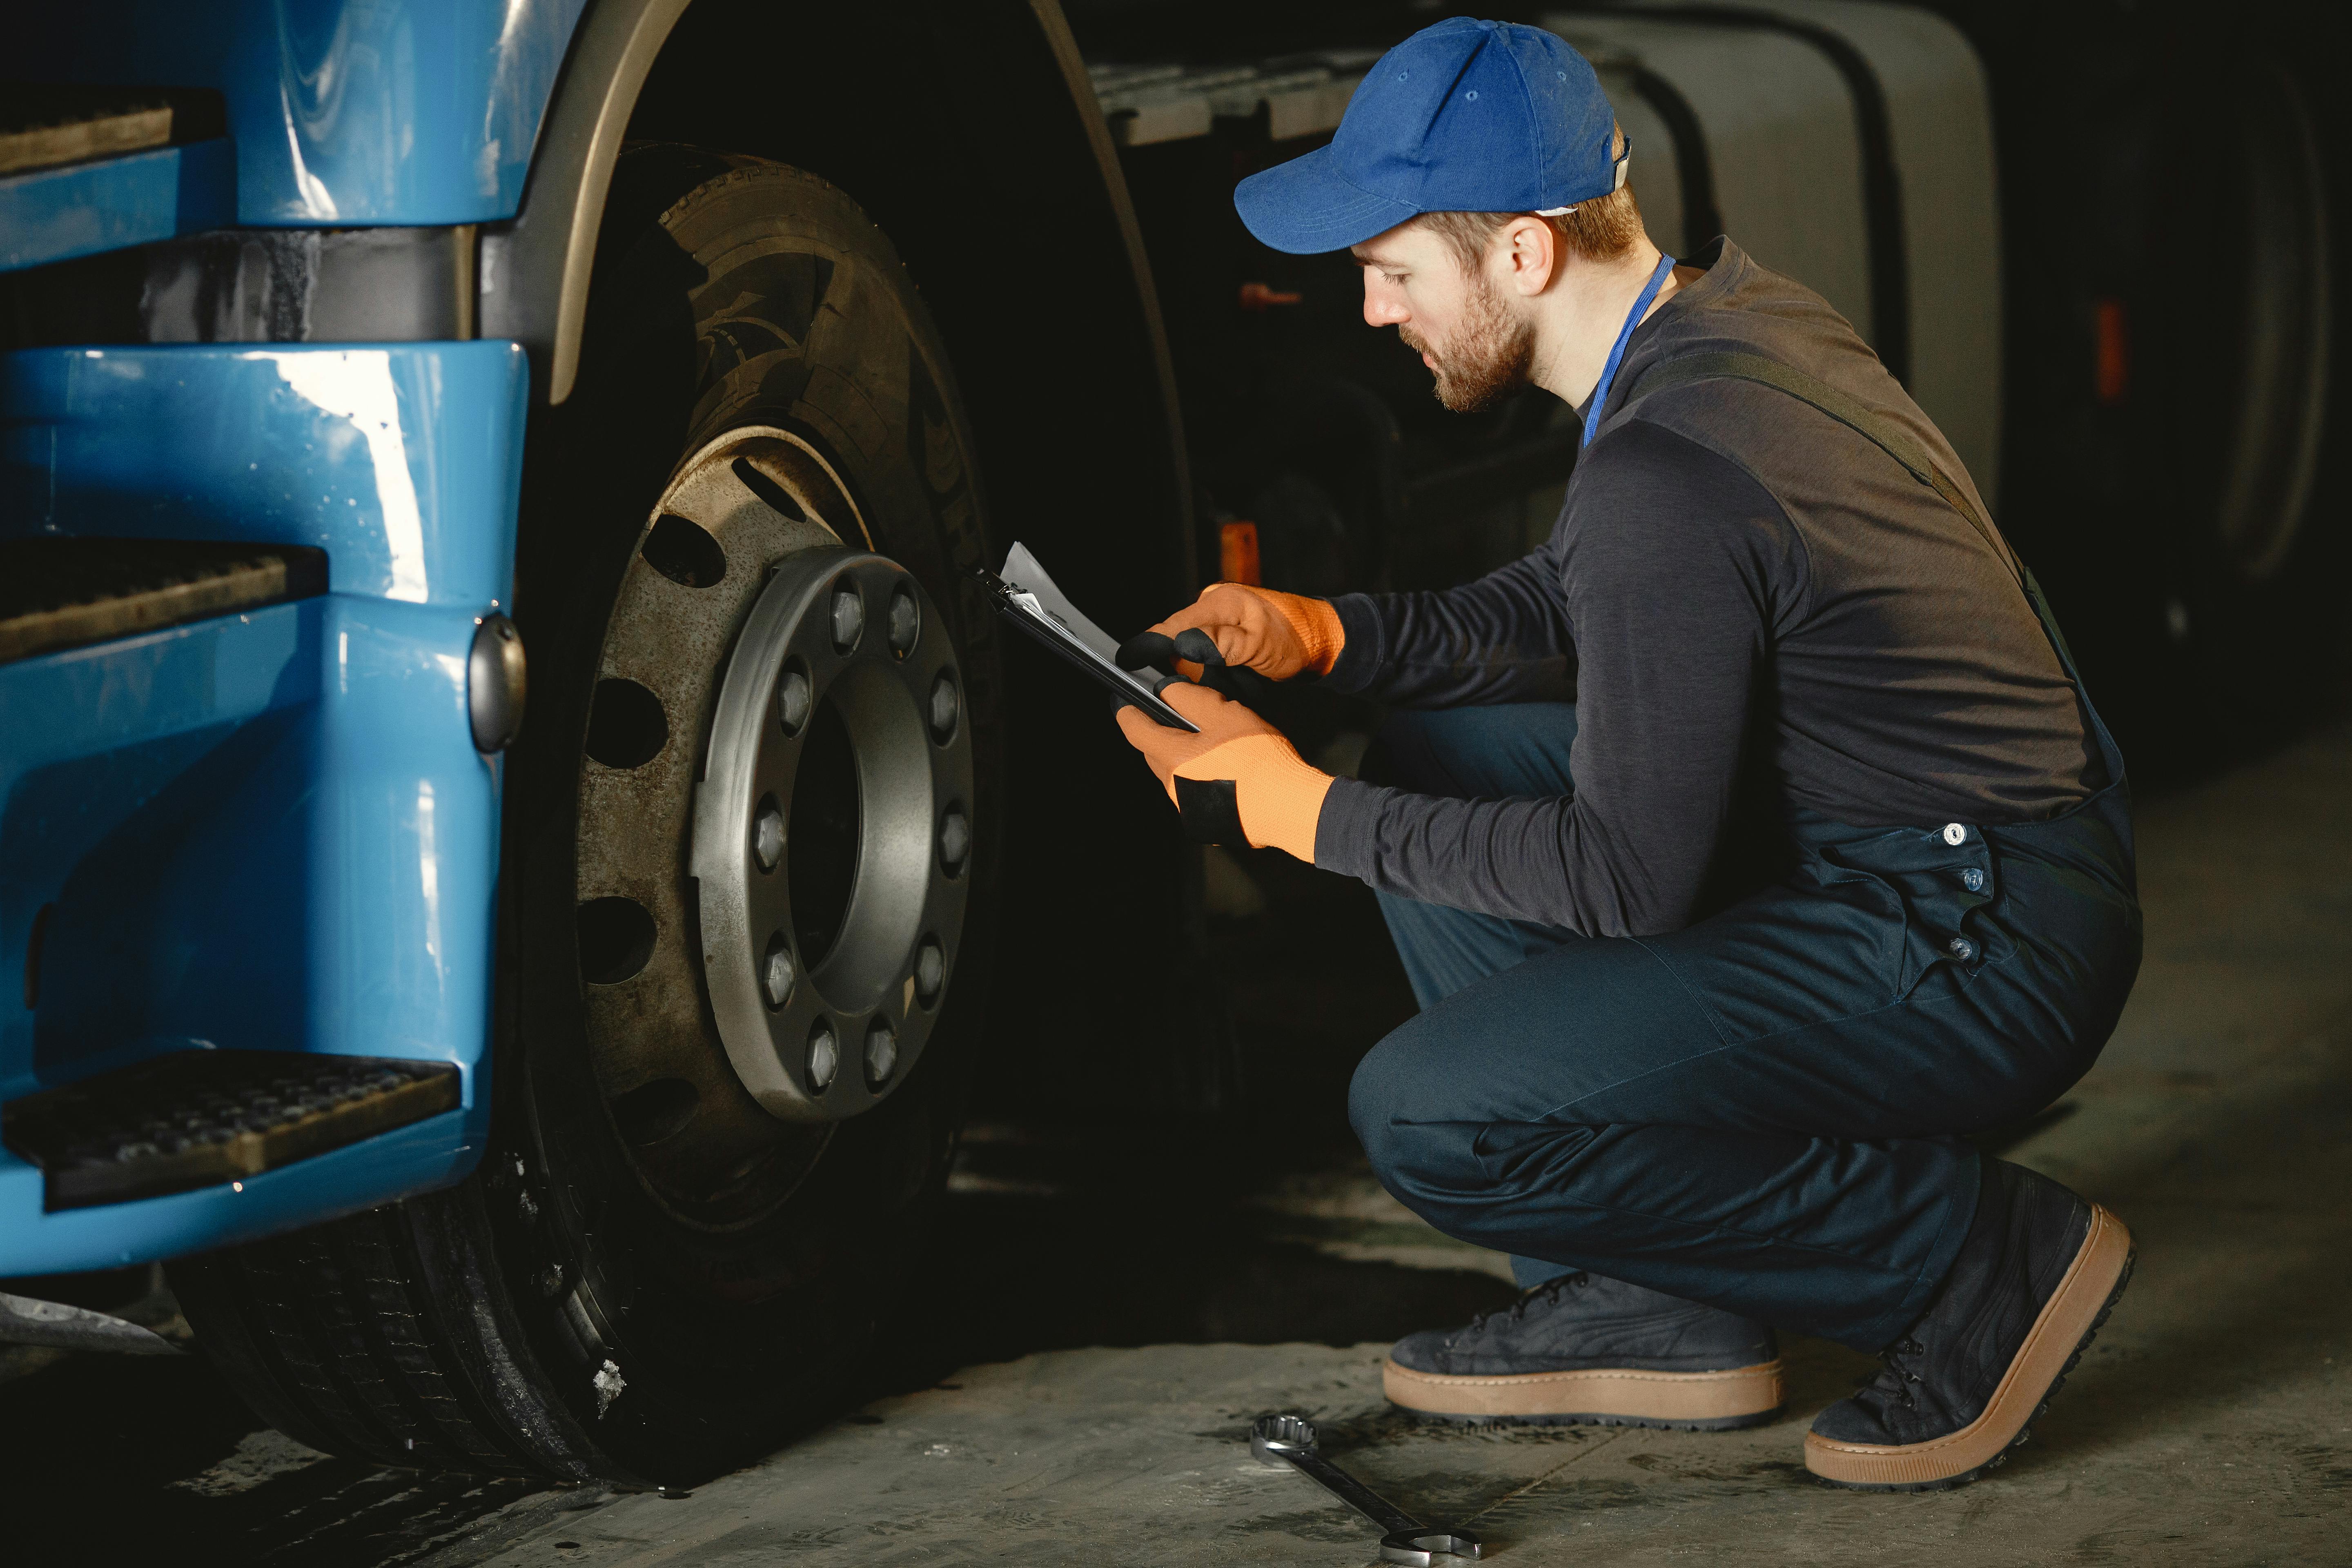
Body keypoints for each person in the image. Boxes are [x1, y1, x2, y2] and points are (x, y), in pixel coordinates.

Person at [1111, 18, 2140, 1491]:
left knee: (1428, 1112)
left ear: (1522, 254)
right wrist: (1325, 636)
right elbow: (1587, 604)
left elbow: (1625, 876)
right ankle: (1664, 1293)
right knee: (1441, 742)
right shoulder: (1718, 328)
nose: (1371, 312)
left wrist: (1303, 814)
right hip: (1973, 861)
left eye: (1391, 269)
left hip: (1974, 933)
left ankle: (1976, 1262)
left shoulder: (1670, 464)